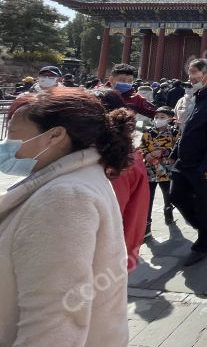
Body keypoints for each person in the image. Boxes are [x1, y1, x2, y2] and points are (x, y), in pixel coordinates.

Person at [0, 88, 133, 346]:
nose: (7, 144)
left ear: (56, 135)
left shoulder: (63, 197)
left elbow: (54, 316)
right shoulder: (78, 178)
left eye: (13, 135)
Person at [169, 58, 207, 266]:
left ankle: (205, 243)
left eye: (194, 73)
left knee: (204, 201)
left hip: (203, 163)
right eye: (189, 73)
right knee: (175, 195)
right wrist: (176, 151)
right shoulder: (197, 95)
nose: (190, 77)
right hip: (184, 159)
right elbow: (187, 127)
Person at [90, 88, 150, 273]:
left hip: (96, 259)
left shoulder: (123, 163)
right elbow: (136, 216)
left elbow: (129, 213)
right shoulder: (131, 158)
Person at [139, 106, 179, 239]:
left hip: (166, 170)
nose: (158, 119)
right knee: (147, 198)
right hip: (149, 170)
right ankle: (147, 226)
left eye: (162, 117)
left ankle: (168, 212)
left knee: (168, 194)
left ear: (169, 119)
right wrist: (146, 154)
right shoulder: (147, 132)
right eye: (156, 117)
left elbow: (178, 149)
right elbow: (140, 146)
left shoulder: (174, 132)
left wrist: (163, 152)